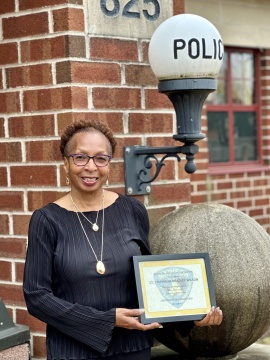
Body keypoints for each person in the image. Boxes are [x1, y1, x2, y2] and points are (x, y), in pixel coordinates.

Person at [23, 119, 223, 360]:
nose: (90, 167)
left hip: (132, 348)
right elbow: (37, 297)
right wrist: (106, 320)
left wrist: (192, 314)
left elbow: (149, 286)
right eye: (80, 157)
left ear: (109, 164)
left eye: (100, 158)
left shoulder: (132, 211)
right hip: (73, 350)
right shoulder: (47, 220)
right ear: (66, 163)